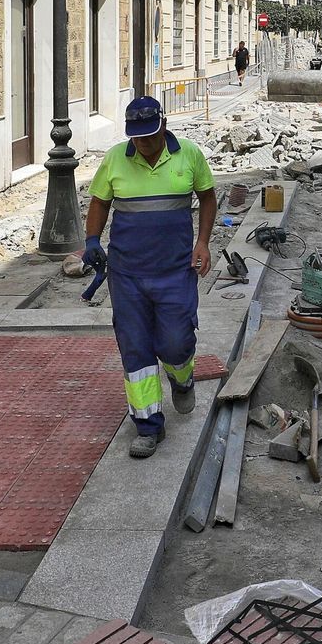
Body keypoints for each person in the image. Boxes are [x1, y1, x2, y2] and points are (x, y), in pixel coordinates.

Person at [82, 97, 218, 458]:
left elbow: (207, 197)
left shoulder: (188, 154)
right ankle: (147, 425)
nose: (142, 143)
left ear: (163, 126)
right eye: (137, 137)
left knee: (175, 342)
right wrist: (92, 240)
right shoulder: (115, 158)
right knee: (135, 348)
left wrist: (202, 243)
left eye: (149, 135)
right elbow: (99, 202)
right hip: (127, 275)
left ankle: (181, 375)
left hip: (175, 271)